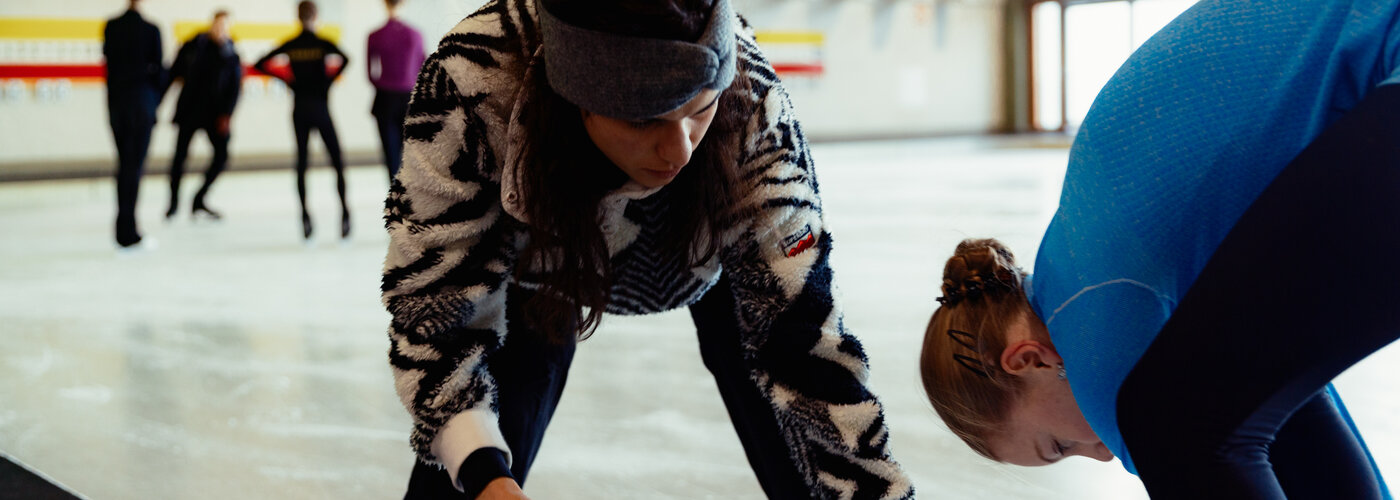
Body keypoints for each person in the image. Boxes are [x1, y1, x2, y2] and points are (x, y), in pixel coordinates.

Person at [381, 0, 913, 498]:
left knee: (794, 428)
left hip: (717, 250)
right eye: (644, 118)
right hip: (543, 260)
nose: (679, 148)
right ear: (575, 95)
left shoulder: (754, 105)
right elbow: (433, 309)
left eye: (699, 108)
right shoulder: (473, 84)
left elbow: (806, 337)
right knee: (477, 448)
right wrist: (482, 471)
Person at [919, 0, 1400, 498]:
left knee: (1173, 426)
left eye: (1060, 445)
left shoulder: (1093, 325)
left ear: (1027, 361)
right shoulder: (1076, 265)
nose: (1100, 452)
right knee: (1241, 403)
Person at [253, 0, 350, 240]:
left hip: (300, 109)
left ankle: (305, 216)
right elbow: (346, 59)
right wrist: (328, 81)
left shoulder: (293, 44)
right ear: (315, 16)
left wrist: (287, 80)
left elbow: (260, 63)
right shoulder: (321, 43)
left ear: (298, 17)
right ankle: (345, 213)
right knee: (336, 160)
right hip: (320, 107)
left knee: (302, 162)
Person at [164, 10, 242, 221]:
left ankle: (199, 199)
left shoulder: (231, 54)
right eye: (217, 25)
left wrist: (227, 115)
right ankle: (173, 203)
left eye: (225, 27)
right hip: (190, 111)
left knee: (222, 155)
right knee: (179, 158)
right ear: (211, 25)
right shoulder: (194, 46)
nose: (220, 30)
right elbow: (173, 74)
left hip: (215, 115)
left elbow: (235, 89)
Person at [102, 0, 165, 248]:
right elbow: (159, 70)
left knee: (124, 165)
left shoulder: (111, 27)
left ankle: (123, 228)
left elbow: (109, 67)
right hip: (141, 104)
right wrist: (152, 102)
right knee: (134, 167)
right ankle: (129, 231)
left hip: (118, 104)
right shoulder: (151, 30)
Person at [366, 0, 425, 181]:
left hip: (385, 98)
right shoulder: (414, 34)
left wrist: (384, 84)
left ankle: (394, 196)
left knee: (390, 155)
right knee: (410, 153)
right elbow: (423, 68)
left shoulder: (375, 35)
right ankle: (409, 198)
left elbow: (370, 73)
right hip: (409, 98)